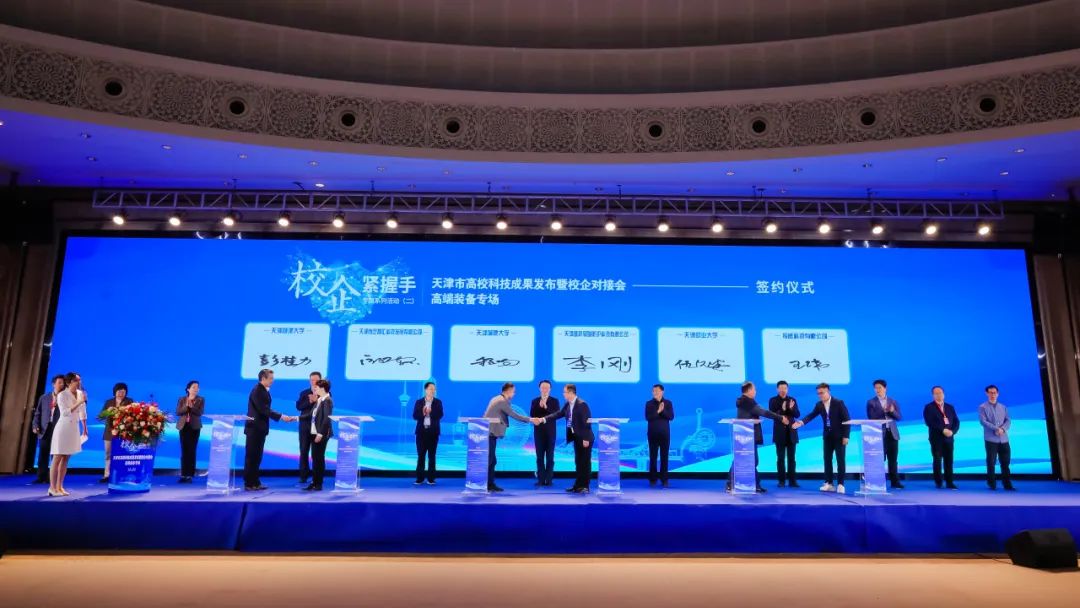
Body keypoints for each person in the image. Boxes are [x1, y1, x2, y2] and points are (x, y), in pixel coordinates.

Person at [243, 369, 297, 491]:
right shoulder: (258, 390)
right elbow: (264, 409)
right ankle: (249, 483)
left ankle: (255, 482)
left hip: (259, 429)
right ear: (263, 378)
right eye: (271, 378)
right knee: (252, 457)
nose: (273, 380)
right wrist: (281, 416)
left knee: (257, 457)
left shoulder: (263, 390)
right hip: (254, 429)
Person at [793, 383, 851, 494]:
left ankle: (841, 484)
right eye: (818, 393)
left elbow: (847, 420)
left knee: (840, 460)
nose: (820, 395)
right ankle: (829, 483)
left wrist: (846, 436)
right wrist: (801, 422)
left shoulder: (838, 403)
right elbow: (811, 415)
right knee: (827, 459)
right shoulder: (819, 404)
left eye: (822, 393)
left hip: (839, 437)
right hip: (827, 436)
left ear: (828, 391)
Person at [730, 381, 786, 493]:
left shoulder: (744, 401)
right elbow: (764, 412)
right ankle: (735, 483)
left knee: (746, 460)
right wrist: (780, 418)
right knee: (746, 460)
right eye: (754, 389)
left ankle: (753, 484)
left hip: (746, 434)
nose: (755, 391)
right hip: (747, 435)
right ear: (749, 390)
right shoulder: (747, 402)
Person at [481, 382, 537, 492]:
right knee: (490, 460)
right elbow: (514, 415)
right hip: (489, 433)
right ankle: (486, 484)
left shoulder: (496, 398)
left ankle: (490, 484)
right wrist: (531, 419)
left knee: (492, 460)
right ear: (509, 391)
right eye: (513, 392)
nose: (514, 394)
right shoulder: (502, 401)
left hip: (488, 433)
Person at [540, 384, 594, 494]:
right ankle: (577, 485)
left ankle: (585, 486)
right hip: (576, 437)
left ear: (570, 392)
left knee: (585, 462)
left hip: (585, 438)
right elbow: (558, 414)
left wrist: (586, 438)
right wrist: (543, 419)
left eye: (564, 392)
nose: (563, 394)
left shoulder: (582, 404)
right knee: (578, 462)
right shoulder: (568, 404)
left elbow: (587, 422)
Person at [49, 372, 88, 497]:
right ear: (69, 382)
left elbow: (82, 411)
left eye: (79, 380)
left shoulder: (80, 393)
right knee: (57, 457)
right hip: (63, 427)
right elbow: (65, 412)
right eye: (77, 380)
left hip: (73, 428)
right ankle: (52, 488)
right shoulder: (62, 395)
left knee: (66, 457)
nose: (79, 382)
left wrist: (85, 428)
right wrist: (79, 402)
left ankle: (60, 486)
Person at [866, 379, 904, 489]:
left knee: (893, 460)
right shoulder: (871, 402)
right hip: (879, 435)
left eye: (880, 388)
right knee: (879, 459)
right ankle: (877, 482)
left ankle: (895, 482)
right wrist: (884, 411)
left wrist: (892, 411)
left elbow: (899, 417)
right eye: (876, 388)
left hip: (892, 434)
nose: (877, 390)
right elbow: (871, 418)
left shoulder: (893, 401)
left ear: (885, 388)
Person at [923, 385, 960, 490]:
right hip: (936, 438)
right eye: (936, 393)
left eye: (940, 393)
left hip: (949, 438)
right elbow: (929, 422)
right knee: (937, 460)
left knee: (949, 460)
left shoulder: (950, 407)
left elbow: (956, 421)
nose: (938, 395)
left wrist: (952, 431)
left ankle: (950, 482)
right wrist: (942, 430)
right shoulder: (928, 407)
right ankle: (938, 482)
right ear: (933, 395)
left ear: (944, 394)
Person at [979, 384, 1014, 491]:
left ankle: (1007, 484)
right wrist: (996, 429)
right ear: (987, 393)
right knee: (991, 462)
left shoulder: (1003, 407)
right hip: (991, 439)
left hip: (1004, 439)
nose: (993, 395)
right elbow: (983, 421)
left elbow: (1008, 420)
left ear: (998, 394)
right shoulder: (983, 407)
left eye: (994, 393)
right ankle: (992, 483)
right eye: (990, 393)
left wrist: (1002, 429)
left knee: (1005, 463)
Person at [31, 375, 65, 484]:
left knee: (55, 455)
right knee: (43, 453)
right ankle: (41, 477)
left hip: (58, 428)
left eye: (63, 383)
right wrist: (35, 425)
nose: (62, 384)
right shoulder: (44, 397)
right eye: (59, 382)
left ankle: (53, 478)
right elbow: (38, 413)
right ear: (53, 384)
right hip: (45, 428)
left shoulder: (65, 398)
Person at [98, 382, 133, 483]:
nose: (121, 393)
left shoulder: (129, 401)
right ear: (115, 392)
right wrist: (108, 411)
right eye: (119, 391)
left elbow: (133, 416)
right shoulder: (109, 402)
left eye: (123, 392)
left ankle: (121, 475)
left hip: (123, 433)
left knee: (123, 455)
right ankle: (107, 475)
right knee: (108, 454)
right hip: (109, 432)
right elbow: (101, 416)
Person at [768, 380, 800, 488]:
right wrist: (782, 410)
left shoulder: (792, 400)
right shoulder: (773, 400)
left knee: (792, 458)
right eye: (781, 388)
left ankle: (792, 481)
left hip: (791, 433)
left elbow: (797, 414)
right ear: (777, 389)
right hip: (779, 433)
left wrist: (790, 408)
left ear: (787, 389)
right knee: (780, 458)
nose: (783, 390)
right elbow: (771, 414)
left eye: (785, 388)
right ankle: (781, 481)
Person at [413, 381, 443, 485]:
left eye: (434, 389)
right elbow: (415, 416)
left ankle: (431, 478)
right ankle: (420, 478)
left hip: (433, 432)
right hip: (421, 433)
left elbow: (440, 415)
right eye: (431, 389)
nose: (433, 391)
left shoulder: (438, 402)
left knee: (432, 456)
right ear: (426, 390)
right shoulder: (419, 402)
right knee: (421, 455)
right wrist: (423, 413)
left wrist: (431, 412)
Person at [306, 378, 334, 492]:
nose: (315, 389)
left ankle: (318, 483)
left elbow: (327, 419)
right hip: (314, 433)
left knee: (319, 458)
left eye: (316, 387)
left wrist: (321, 433)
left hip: (321, 434)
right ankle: (314, 482)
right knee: (315, 458)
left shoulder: (327, 400)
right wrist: (295, 418)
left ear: (322, 388)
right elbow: (310, 416)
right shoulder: (319, 400)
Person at [529, 380, 559, 487]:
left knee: (550, 457)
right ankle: (541, 479)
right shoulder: (535, 401)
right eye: (543, 387)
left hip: (551, 433)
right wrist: (539, 406)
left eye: (547, 387)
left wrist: (546, 407)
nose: (545, 389)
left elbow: (556, 414)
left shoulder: (554, 401)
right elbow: (532, 415)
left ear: (550, 389)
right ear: (539, 388)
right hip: (539, 433)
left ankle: (549, 479)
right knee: (540, 457)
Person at [645, 383, 675, 488]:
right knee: (653, 457)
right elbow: (648, 417)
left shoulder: (668, 403)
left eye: (657, 391)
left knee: (664, 457)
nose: (655, 393)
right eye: (653, 391)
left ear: (662, 391)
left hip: (664, 434)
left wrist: (663, 411)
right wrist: (658, 411)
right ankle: (653, 479)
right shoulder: (649, 404)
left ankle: (664, 479)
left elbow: (671, 417)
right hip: (652, 434)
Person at [175, 380, 205, 483]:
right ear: (188, 389)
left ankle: (190, 475)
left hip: (194, 427)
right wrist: (186, 406)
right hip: (183, 426)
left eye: (197, 387)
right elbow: (178, 412)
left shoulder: (200, 399)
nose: (196, 389)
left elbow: (200, 412)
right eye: (194, 387)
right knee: (184, 450)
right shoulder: (182, 399)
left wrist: (192, 407)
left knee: (192, 450)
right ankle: (184, 474)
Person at [295, 371, 322, 485]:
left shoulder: (325, 393)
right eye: (312, 380)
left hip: (318, 427)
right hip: (305, 426)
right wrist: (310, 401)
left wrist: (317, 400)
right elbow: (299, 406)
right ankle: (303, 476)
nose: (314, 382)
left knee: (317, 454)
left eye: (316, 380)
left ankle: (317, 477)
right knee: (303, 451)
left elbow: (325, 408)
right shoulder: (304, 393)